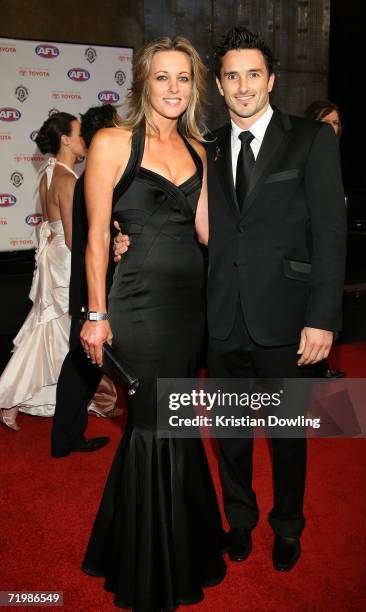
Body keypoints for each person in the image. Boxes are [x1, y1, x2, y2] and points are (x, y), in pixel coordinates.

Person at [115, 27, 347, 574]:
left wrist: (322, 319)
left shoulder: (311, 140)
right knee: (232, 435)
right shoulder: (206, 147)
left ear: (272, 79)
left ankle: (287, 526)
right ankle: (239, 521)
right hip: (220, 319)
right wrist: (127, 237)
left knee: (288, 436)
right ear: (218, 84)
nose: (243, 86)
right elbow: (172, 213)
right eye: (232, 76)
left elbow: (331, 234)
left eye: (253, 74)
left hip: (289, 321)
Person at [80, 37, 226, 610]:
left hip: (191, 306)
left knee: (175, 423)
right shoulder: (113, 141)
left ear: (194, 87)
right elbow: (95, 236)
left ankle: (163, 545)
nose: (172, 88)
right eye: (162, 77)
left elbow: (211, 233)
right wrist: (96, 313)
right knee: (152, 425)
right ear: (144, 81)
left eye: (183, 79)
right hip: (137, 303)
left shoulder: (200, 148)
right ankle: (151, 565)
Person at [0, 113, 115, 432]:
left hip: (52, 257)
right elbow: (73, 231)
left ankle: (61, 396)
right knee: (63, 330)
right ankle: (11, 395)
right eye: (79, 135)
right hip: (65, 260)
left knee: (50, 330)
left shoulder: (47, 173)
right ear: (65, 140)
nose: (84, 141)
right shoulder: (67, 179)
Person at [51, 104, 122, 458]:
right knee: (82, 365)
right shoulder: (93, 178)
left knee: (84, 365)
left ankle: (67, 435)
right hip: (91, 286)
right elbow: (91, 239)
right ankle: (66, 437)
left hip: (89, 283)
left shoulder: (91, 176)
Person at [305, 99, 346, 378]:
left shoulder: (335, 154)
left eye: (335, 122)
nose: (331, 128)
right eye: (325, 122)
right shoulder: (306, 151)